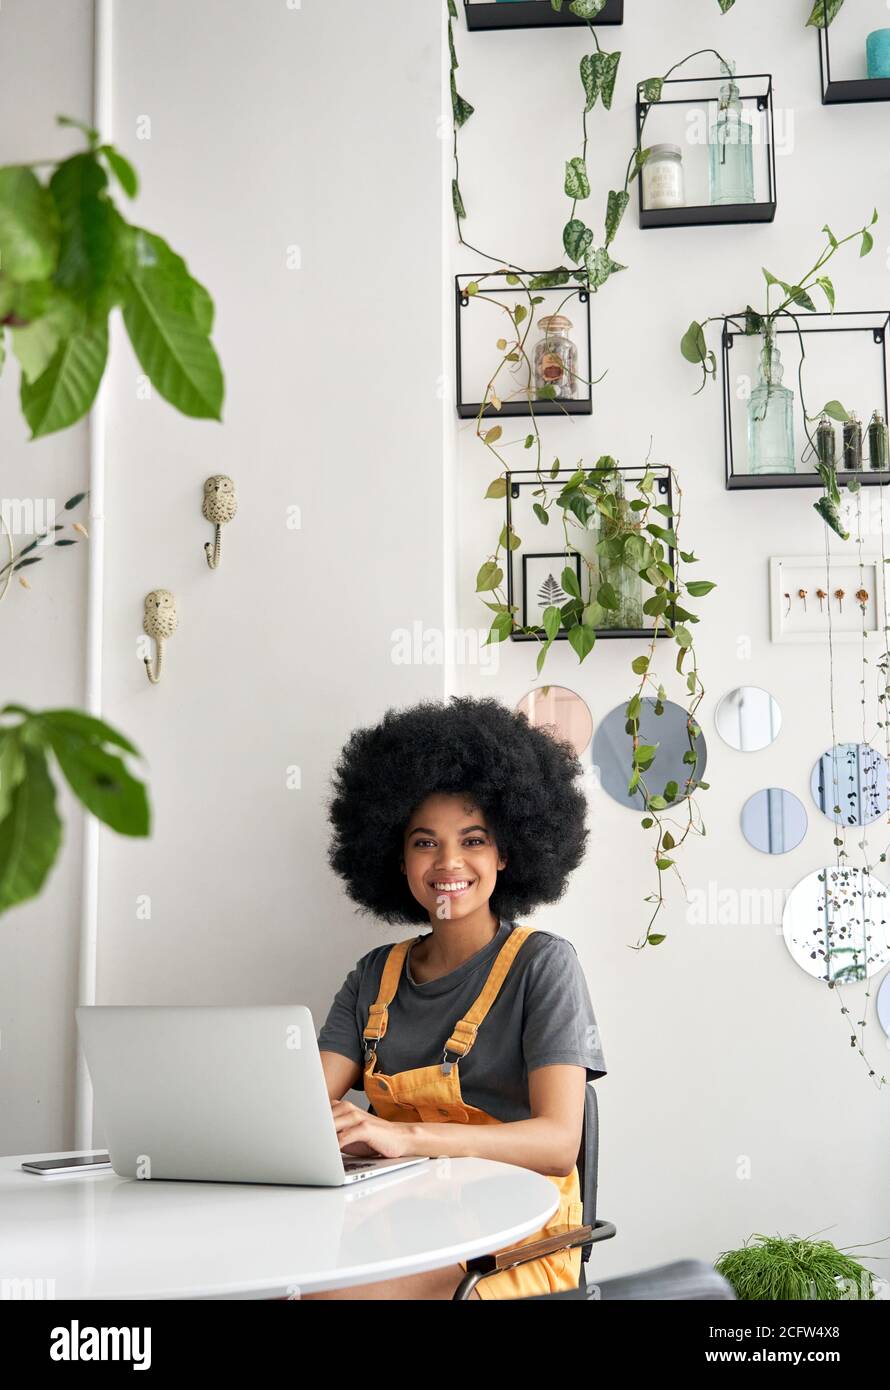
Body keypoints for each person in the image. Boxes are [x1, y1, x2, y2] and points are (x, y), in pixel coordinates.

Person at [304, 694, 606, 1300]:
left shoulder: (544, 966)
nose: (449, 863)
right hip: (393, 1229)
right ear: (397, 858)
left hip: (511, 1246)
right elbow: (299, 1108)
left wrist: (406, 1138)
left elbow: (555, 1143)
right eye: (424, 843)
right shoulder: (373, 977)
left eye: (473, 840)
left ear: (505, 852)